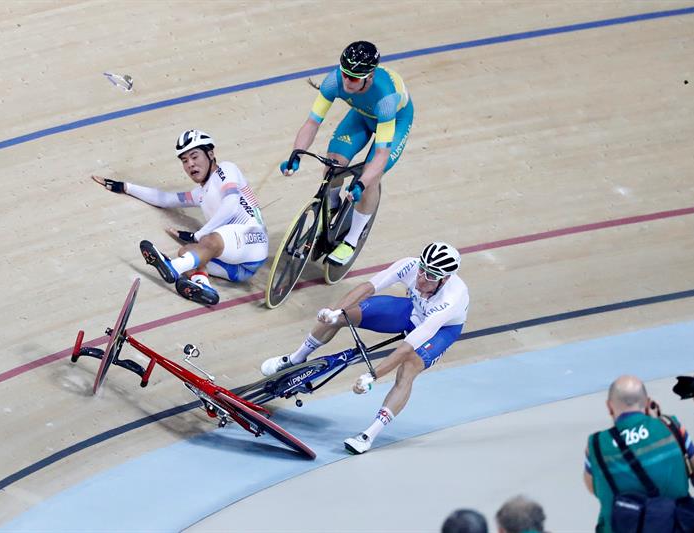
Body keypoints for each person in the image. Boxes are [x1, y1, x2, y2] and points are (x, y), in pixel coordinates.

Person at [261, 241, 468, 454]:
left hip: (440, 331)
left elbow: (407, 347)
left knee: (408, 367)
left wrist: (372, 376)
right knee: (342, 316)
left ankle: (369, 435)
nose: (422, 278)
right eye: (423, 270)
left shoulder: (451, 300)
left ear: (446, 279)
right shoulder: (411, 265)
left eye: (431, 276)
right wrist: (335, 312)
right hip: (412, 311)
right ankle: (296, 358)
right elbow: (368, 288)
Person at [91, 129, 268, 305]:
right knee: (188, 252)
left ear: (211, 154)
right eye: (184, 160)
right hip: (237, 268)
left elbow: (230, 205)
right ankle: (204, 286)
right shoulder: (200, 193)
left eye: (194, 156)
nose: (190, 164)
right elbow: (165, 199)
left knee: (209, 240)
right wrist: (125, 187)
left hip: (254, 240)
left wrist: (200, 234)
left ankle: (173, 267)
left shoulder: (226, 170)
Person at [279, 40, 413, 265]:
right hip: (362, 115)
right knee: (334, 161)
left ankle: (352, 239)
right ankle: (330, 207)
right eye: (344, 74)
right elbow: (312, 123)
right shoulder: (334, 81)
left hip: (394, 122)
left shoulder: (386, 98)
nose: (347, 81)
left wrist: (361, 183)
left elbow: (381, 154)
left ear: (369, 77)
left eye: (353, 78)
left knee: (370, 178)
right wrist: (296, 155)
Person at [583, 375, 694, 532]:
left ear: (609, 407)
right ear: (647, 403)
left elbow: (593, 488)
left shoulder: (596, 445)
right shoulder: (671, 427)